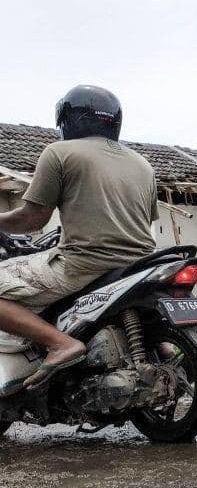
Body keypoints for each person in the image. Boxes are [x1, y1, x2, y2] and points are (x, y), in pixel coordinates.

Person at [0, 85, 158, 389]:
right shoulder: (143, 164)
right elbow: (145, 220)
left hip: (84, 263)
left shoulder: (60, 152)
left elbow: (33, 218)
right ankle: (158, 348)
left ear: (70, 119)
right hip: (141, 263)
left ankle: (60, 343)